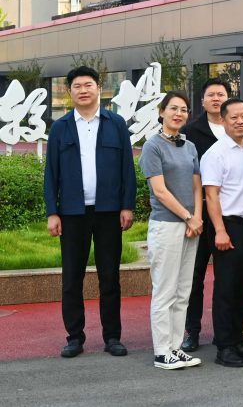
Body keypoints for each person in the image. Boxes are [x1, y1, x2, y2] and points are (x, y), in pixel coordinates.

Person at [44, 65, 136, 359]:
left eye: (88, 85)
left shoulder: (116, 123)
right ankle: (74, 337)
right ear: (69, 91)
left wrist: (127, 205)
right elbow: (51, 173)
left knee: (110, 277)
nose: (83, 90)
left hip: (109, 211)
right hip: (72, 213)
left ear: (98, 88)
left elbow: (127, 168)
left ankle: (112, 337)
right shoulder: (60, 127)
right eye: (77, 86)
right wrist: (52, 212)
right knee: (72, 278)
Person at [140, 91, 203, 370]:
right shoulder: (152, 146)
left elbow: (197, 186)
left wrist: (197, 217)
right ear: (162, 112)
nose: (179, 113)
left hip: (190, 226)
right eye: (173, 108)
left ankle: (176, 348)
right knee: (165, 290)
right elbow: (160, 191)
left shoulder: (189, 146)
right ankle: (162, 351)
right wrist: (188, 217)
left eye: (184, 109)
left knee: (183, 290)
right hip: (167, 225)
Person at [201, 98, 243, 368]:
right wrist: (220, 231)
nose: (240, 121)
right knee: (226, 288)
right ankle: (224, 346)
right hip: (228, 227)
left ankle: (238, 340)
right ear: (223, 120)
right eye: (234, 117)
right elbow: (211, 196)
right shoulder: (215, 154)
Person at [182, 78, 231, 352]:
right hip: (199, 212)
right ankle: (192, 331)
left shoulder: (237, 127)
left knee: (228, 276)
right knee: (195, 276)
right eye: (211, 95)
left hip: (230, 214)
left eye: (221, 94)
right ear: (202, 101)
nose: (216, 99)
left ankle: (227, 330)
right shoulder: (190, 131)